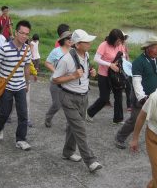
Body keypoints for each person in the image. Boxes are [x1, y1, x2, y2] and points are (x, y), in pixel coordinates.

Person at [52, 29, 102, 173]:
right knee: (80, 129)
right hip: (68, 98)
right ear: (78, 44)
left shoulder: (85, 54)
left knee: (73, 127)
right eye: (87, 42)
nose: (90, 44)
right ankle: (91, 161)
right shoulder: (66, 59)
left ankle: (67, 152)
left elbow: (84, 73)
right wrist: (73, 76)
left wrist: (92, 73)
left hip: (83, 97)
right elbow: (55, 79)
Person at [0, 20, 32, 151]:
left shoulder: (27, 49)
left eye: (27, 34)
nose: (24, 36)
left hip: (20, 86)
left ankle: (21, 139)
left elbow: (27, 68)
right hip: (6, 86)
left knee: (23, 114)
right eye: (22, 33)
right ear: (16, 33)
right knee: (5, 113)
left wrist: (27, 83)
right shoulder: (5, 48)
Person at [115, 36, 157, 149]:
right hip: (140, 97)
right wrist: (142, 97)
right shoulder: (139, 62)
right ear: (148, 48)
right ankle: (119, 137)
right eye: (156, 48)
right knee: (135, 120)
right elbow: (136, 81)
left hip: (154, 95)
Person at [86, 29, 126, 124]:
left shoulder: (120, 45)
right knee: (104, 98)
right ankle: (89, 113)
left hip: (116, 75)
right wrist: (110, 64)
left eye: (121, 41)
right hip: (104, 75)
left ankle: (118, 119)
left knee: (118, 96)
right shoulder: (104, 45)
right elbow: (96, 58)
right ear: (112, 39)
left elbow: (123, 56)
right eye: (118, 41)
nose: (119, 43)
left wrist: (120, 61)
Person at [44, 30, 73, 128]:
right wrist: (56, 71)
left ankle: (69, 126)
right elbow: (47, 63)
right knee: (57, 104)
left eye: (71, 38)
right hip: (56, 82)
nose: (70, 40)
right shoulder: (56, 51)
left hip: (69, 82)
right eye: (68, 38)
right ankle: (48, 117)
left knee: (69, 106)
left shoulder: (73, 51)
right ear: (63, 40)